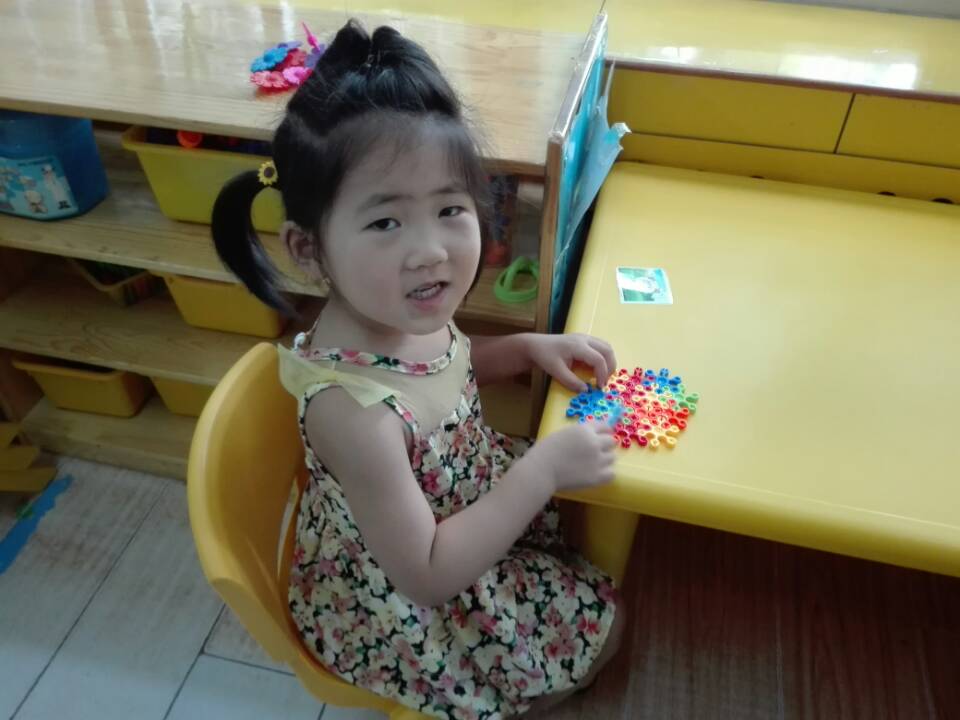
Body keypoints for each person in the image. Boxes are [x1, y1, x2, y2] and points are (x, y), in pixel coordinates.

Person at [211, 20, 623, 719]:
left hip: (450, 506)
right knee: (605, 636)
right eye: (385, 223)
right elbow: (428, 574)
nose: (431, 250)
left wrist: (526, 349)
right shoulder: (354, 415)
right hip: (407, 598)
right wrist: (542, 472)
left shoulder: (397, 310)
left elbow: (449, 370)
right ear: (308, 249)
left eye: (450, 208)